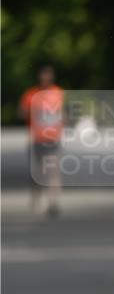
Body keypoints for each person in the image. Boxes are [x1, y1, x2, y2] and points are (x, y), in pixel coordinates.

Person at [19, 64, 65, 216]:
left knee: (53, 171)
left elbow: (64, 113)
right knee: (37, 173)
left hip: (53, 139)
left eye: (49, 74)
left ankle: (53, 203)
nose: (46, 77)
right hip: (36, 139)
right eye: (43, 74)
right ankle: (36, 197)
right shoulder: (31, 94)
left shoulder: (59, 92)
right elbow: (22, 113)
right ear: (39, 76)